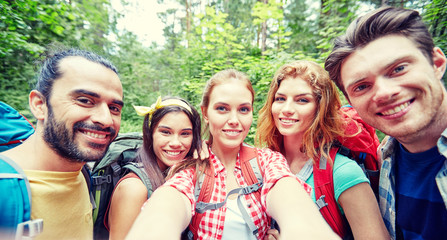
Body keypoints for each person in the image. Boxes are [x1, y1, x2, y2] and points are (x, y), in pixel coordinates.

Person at [125, 69, 339, 240]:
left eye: (244, 109)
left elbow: (286, 190)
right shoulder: (190, 167)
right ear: (205, 113)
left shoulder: (267, 160)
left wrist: (302, 226)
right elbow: (170, 201)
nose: (234, 120)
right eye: (222, 108)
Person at [325, 6, 447, 239]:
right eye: (362, 86)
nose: (383, 93)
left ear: (437, 63)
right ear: (351, 103)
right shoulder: (387, 158)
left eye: (398, 69)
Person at [256, 60, 389, 239]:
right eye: (280, 99)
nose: (286, 109)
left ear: (321, 109)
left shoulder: (343, 172)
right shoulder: (263, 163)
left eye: (302, 100)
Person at [1, 48, 123, 239]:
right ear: (40, 105)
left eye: (114, 108)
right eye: (85, 100)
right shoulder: (4, 187)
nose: (106, 120)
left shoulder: (83, 173)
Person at [107, 96, 202, 240]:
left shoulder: (183, 173)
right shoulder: (134, 189)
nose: (175, 143)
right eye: (165, 132)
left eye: (185, 134)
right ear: (150, 134)